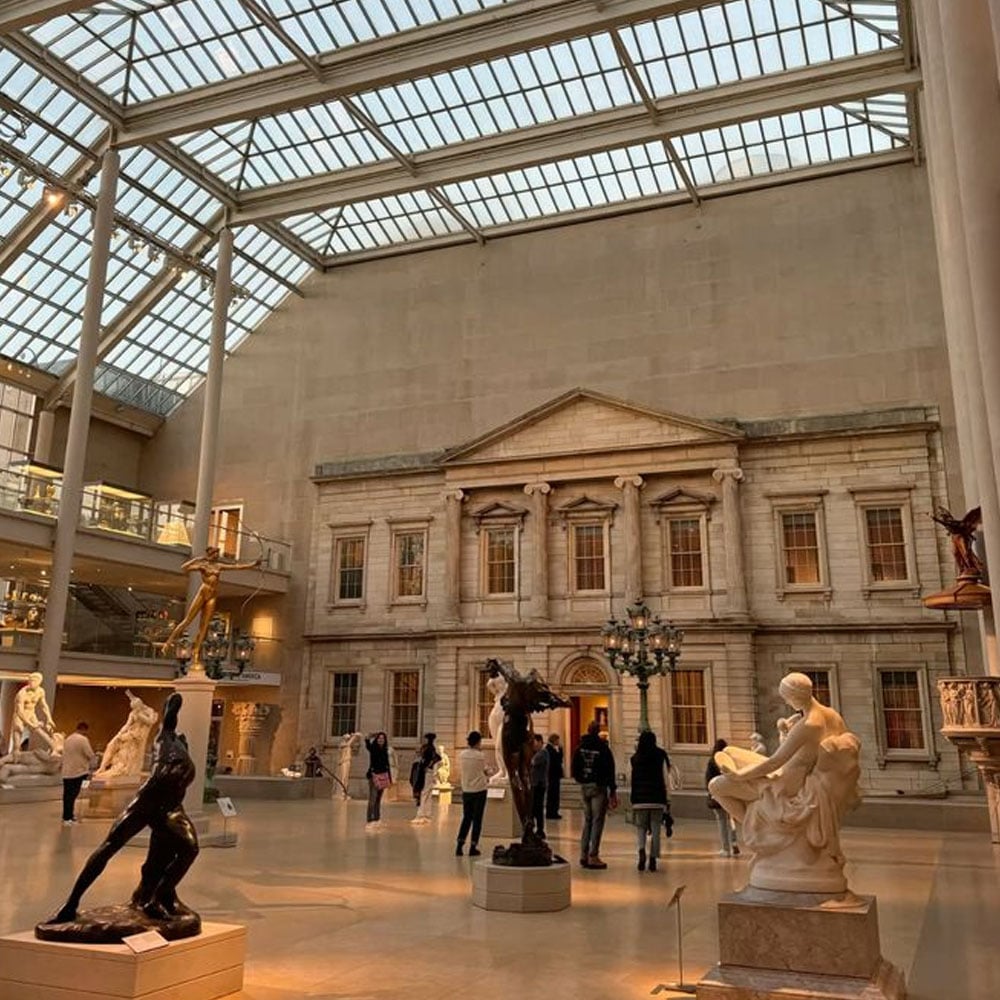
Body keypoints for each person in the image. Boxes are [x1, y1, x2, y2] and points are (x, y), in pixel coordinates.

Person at [48, 693, 200, 924]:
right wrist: (174, 702)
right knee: (110, 846)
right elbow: (171, 709)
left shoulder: (183, 753)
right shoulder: (165, 738)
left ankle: (158, 896)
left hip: (171, 807)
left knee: (189, 848)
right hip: (148, 800)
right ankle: (71, 903)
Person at [163, 546, 261, 658]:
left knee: (205, 625)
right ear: (211, 554)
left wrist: (253, 564)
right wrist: (196, 559)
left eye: (218, 554)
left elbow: (236, 567)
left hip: (212, 595)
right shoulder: (203, 566)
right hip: (203, 592)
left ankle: (196, 651)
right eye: (216, 553)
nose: (217, 555)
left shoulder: (219, 566)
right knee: (187, 620)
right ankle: (168, 642)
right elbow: (184, 567)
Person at [571, 720, 618, 869]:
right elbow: (610, 769)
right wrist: (613, 790)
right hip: (598, 787)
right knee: (598, 821)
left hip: (584, 786)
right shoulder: (603, 748)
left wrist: (581, 779)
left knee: (588, 820)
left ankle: (583, 854)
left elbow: (574, 766)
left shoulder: (579, 747)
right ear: (598, 731)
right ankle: (593, 855)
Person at [630, 729, 671, 872]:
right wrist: (668, 799)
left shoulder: (635, 758)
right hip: (657, 798)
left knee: (640, 828)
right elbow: (666, 778)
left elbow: (633, 780)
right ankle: (653, 857)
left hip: (640, 799)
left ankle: (641, 851)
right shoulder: (660, 755)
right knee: (656, 829)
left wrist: (633, 799)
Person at [455, 730, 491, 856]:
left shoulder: (462, 754)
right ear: (478, 742)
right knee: (477, 819)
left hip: (467, 789)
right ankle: (473, 846)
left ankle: (459, 845)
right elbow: (486, 770)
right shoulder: (480, 756)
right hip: (480, 790)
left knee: (466, 818)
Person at [706, 738, 740, 857]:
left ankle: (725, 849)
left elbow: (708, 780)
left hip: (717, 795)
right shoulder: (729, 761)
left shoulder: (712, 762)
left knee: (721, 822)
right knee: (731, 820)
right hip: (730, 794)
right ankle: (734, 842)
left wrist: (710, 794)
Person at [10, 671, 55, 755]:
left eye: (34, 681)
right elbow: (20, 711)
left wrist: (49, 718)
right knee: (18, 730)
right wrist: (30, 724)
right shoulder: (22, 693)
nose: (31, 683)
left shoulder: (41, 691)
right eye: (30, 681)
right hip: (20, 715)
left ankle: (53, 746)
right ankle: (15, 752)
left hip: (31, 713)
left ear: (39, 682)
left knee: (39, 730)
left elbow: (43, 706)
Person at [61, 721, 97, 825]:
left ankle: (67, 816)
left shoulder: (68, 739)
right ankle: (68, 817)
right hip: (78, 771)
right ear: (84, 730)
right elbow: (89, 754)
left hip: (67, 771)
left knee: (67, 795)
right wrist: (94, 760)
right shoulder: (82, 739)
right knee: (72, 795)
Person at [410, 732, 441, 824]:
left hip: (425, 773)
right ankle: (426, 813)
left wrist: (427, 766)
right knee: (426, 793)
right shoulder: (430, 748)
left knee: (423, 793)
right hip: (426, 772)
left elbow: (437, 758)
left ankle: (421, 814)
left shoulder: (429, 749)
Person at [365, 732, 391, 826]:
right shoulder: (373, 748)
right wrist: (372, 735)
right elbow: (367, 741)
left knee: (378, 799)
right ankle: (370, 818)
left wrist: (390, 778)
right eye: (379, 738)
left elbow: (387, 765)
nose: (381, 740)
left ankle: (377, 817)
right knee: (373, 798)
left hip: (383, 776)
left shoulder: (385, 750)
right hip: (374, 775)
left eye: (383, 738)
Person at [529, 733, 548, 839]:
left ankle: (540, 829)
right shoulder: (538, 753)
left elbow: (533, 762)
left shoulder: (542, 753)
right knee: (534, 808)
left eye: (535, 742)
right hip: (535, 783)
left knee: (538, 808)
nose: (533, 745)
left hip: (539, 784)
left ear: (540, 742)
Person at [545, 733, 564, 820]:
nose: (558, 742)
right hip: (551, 774)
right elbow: (554, 761)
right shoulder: (548, 749)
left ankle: (555, 811)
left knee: (555, 794)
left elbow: (560, 759)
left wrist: (560, 750)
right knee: (552, 794)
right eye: (557, 740)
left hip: (555, 775)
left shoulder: (556, 749)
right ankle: (551, 812)